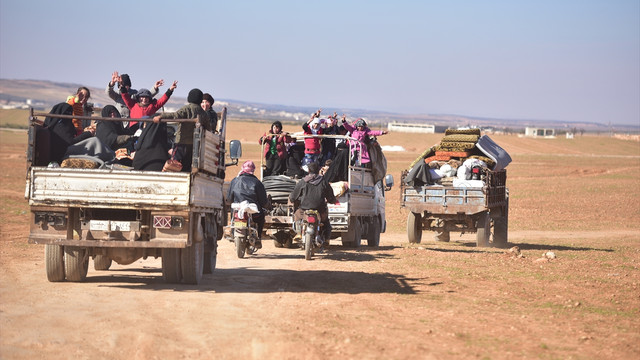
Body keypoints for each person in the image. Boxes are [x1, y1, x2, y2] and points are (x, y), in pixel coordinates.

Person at [153, 88, 211, 172]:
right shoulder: (203, 113)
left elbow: (175, 116)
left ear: (189, 98)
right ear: (200, 100)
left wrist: (161, 116)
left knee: (174, 165)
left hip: (181, 143)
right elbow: (208, 129)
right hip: (194, 145)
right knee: (187, 167)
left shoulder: (186, 109)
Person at [289, 161, 337, 245]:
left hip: (304, 209)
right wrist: (332, 200)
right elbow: (330, 196)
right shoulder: (323, 181)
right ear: (318, 170)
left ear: (308, 171)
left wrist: (292, 199)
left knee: (296, 215)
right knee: (326, 222)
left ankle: (299, 233)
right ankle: (326, 239)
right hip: (320, 209)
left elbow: (293, 196)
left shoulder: (303, 181)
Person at [227, 160, 268, 249]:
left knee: (233, 214)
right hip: (254, 213)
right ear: (253, 170)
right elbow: (263, 201)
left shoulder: (235, 180)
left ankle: (232, 231)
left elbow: (229, 198)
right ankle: (259, 238)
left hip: (238, 209)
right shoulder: (257, 182)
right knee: (261, 218)